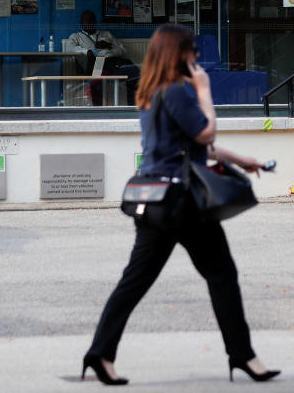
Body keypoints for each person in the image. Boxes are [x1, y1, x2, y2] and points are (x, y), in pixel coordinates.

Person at [82, 24, 280, 386]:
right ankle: (243, 355)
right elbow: (206, 132)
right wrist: (205, 89)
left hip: (155, 201)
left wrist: (243, 160)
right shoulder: (178, 92)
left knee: (133, 282)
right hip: (182, 204)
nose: (197, 58)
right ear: (180, 55)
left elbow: (191, 146)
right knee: (222, 276)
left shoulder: (151, 92)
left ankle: (100, 354)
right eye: (192, 51)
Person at [66, 10, 140, 105]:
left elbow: (123, 51)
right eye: (85, 20)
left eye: (90, 20)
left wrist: (110, 46)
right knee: (99, 84)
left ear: (95, 22)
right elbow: (69, 49)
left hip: (113, 63)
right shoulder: (76, 37)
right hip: (96, 67)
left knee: (134, 73)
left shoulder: (106, 34)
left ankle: (134, 108)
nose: (88, 22)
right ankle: (100, 112)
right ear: (81, 22)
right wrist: (87, 51)